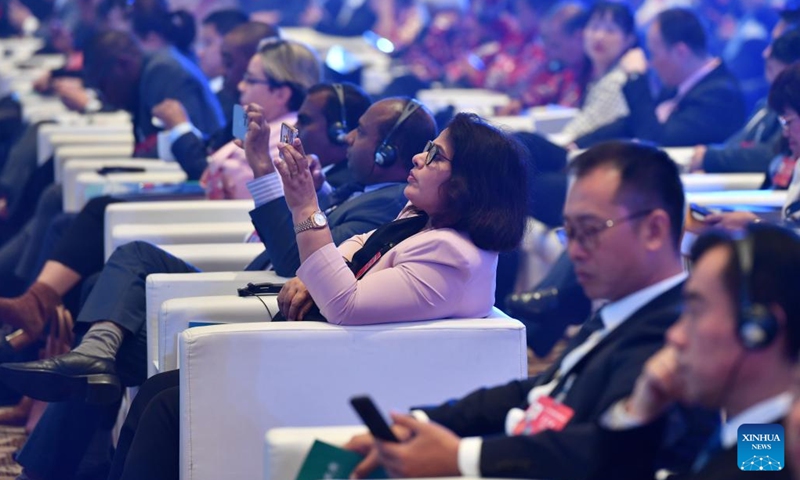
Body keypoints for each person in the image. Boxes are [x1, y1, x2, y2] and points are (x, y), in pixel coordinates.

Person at [0, 95, 432, 480]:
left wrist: (280, 181)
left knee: (112, 337)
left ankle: (52, 450)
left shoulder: (385, 204)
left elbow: (295, 264)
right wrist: (315, 191)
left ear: (385, 150)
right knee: (118, 281)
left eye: (361, 131)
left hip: (263, 301)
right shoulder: (363, 190)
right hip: (252, 284)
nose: (351, 135)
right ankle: (81, 380)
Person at [95, 111, 529, 480]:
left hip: (337, 372)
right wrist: (316, 272)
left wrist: (305, 207)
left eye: (435, 155)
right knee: (158, 390)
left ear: (466, 184)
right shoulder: (424, 221)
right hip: (326, 353)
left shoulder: (451, 254)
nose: (419, 156)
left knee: (169, 404)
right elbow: (358, 244)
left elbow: (346, 303)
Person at [344, 141, 716, 479]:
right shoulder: (621, 311)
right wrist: (420, 422)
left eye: (590, 230)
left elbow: (608, 451)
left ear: (653, 230)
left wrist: (462, 457)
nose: (574, 251)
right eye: (568, 232)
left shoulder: (677, 332)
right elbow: (542, 391)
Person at [591, 224, 800, 480]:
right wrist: (639, 413)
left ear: (758, 328)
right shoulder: (762, 440)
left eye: (695, 312)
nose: (674, 336)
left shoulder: (771, 453)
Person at [576, 8, 747, 148]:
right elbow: (632, 124)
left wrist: (637, 78)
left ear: (680, 52)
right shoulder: (678, 85)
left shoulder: (719, 94)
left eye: (653, 54)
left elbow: (656, 142)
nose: (651, 64)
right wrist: (579, 144)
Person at [689, 28, 800, 174]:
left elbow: (770, 155)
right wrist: (708, 158)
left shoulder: (791, 109)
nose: (766, 52)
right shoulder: (765, 105)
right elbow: (735, 145)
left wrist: (710, 158)